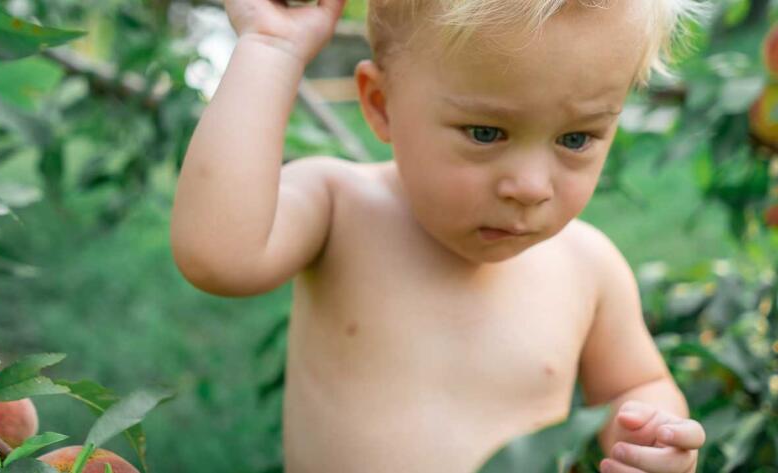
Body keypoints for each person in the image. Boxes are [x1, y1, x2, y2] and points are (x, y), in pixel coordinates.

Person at [170, 0, 709, 471]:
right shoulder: (340, 207)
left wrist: (649, 432)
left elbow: (634, 386)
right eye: (485, 133)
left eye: (575, 138)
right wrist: (270, 47)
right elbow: (217, 256)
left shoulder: (590, 267)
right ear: (382, 105)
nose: (528, 186)